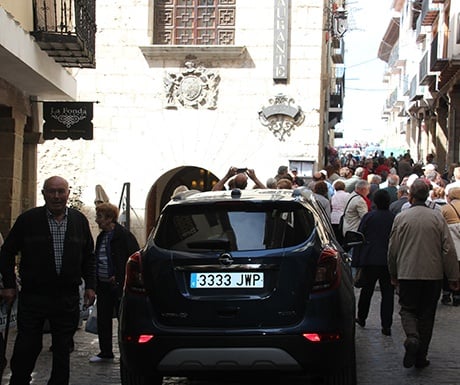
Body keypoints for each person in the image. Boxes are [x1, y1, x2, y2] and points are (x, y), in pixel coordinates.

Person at [0, 176, 96, 385]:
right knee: (27, 346)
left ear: (68, 193)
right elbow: (6, 252)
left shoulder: (79, 221)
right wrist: (8, 285)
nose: (56, 196)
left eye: (61, 191)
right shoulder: (28, 220)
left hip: (66, 297)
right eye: (51, 191)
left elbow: (89, 256)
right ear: (43, 194)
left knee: (62, 349)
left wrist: (90, 285)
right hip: (35, 296)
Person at [388, 179, 459, 369]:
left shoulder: (401, 218)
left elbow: (392, 249)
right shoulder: (437, 218)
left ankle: (412, 337)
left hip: (407, 272)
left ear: (410, 196)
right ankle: (421, 356)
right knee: (427, 314)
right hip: (432, 274)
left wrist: (393, 274)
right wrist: (453, 276)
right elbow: (448, 249)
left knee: (407, 309)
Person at [90, 203, 140, 363]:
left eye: (99, 217)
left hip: (118, 286)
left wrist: (119, 276)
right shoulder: (101, 237)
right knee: (103, 319)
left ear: (109, 218)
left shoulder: (123, 236)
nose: (97, 220)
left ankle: (128, 353)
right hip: (103, 285)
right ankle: (105, 351)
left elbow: (132, 259)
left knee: (124, 320)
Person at [353, 190, 395, 336]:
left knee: (367, 290)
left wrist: (357, 261)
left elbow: (359, 237)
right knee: (388, 293)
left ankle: (362, 317)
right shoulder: (393, 218)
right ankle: (386, 325)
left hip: (370, 259)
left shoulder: (368, 217)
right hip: (388, 260)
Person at [440, 187, 460, 306]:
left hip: (450, 241)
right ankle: (458, 295)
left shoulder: (445, 208)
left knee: (447, 270)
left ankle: (446, 293)